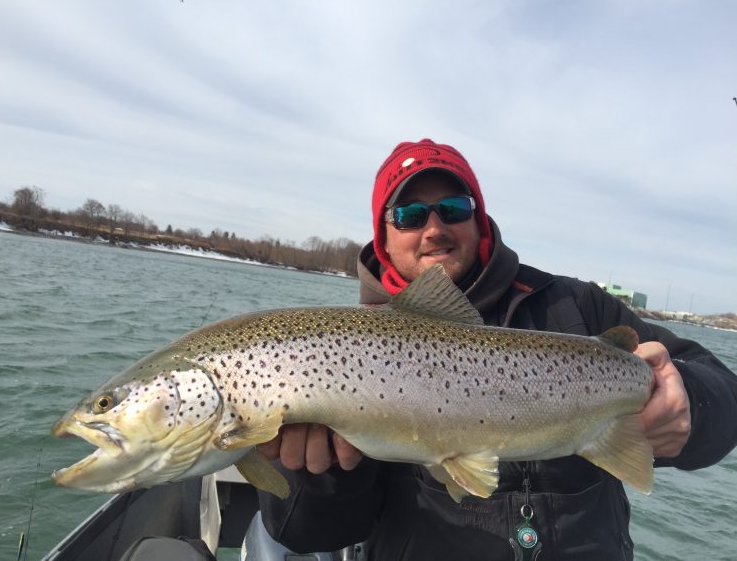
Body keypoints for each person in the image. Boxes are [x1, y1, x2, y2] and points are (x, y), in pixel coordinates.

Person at [256, 139, 737, 560]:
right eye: (408, 215)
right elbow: (306, 533)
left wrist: (690, 405)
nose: (434, 228)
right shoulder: (340, 354)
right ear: (382, 237)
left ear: (479, 218)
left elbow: (724, 395)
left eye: (454, 208)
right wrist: (326, 475)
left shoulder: (578, 306)